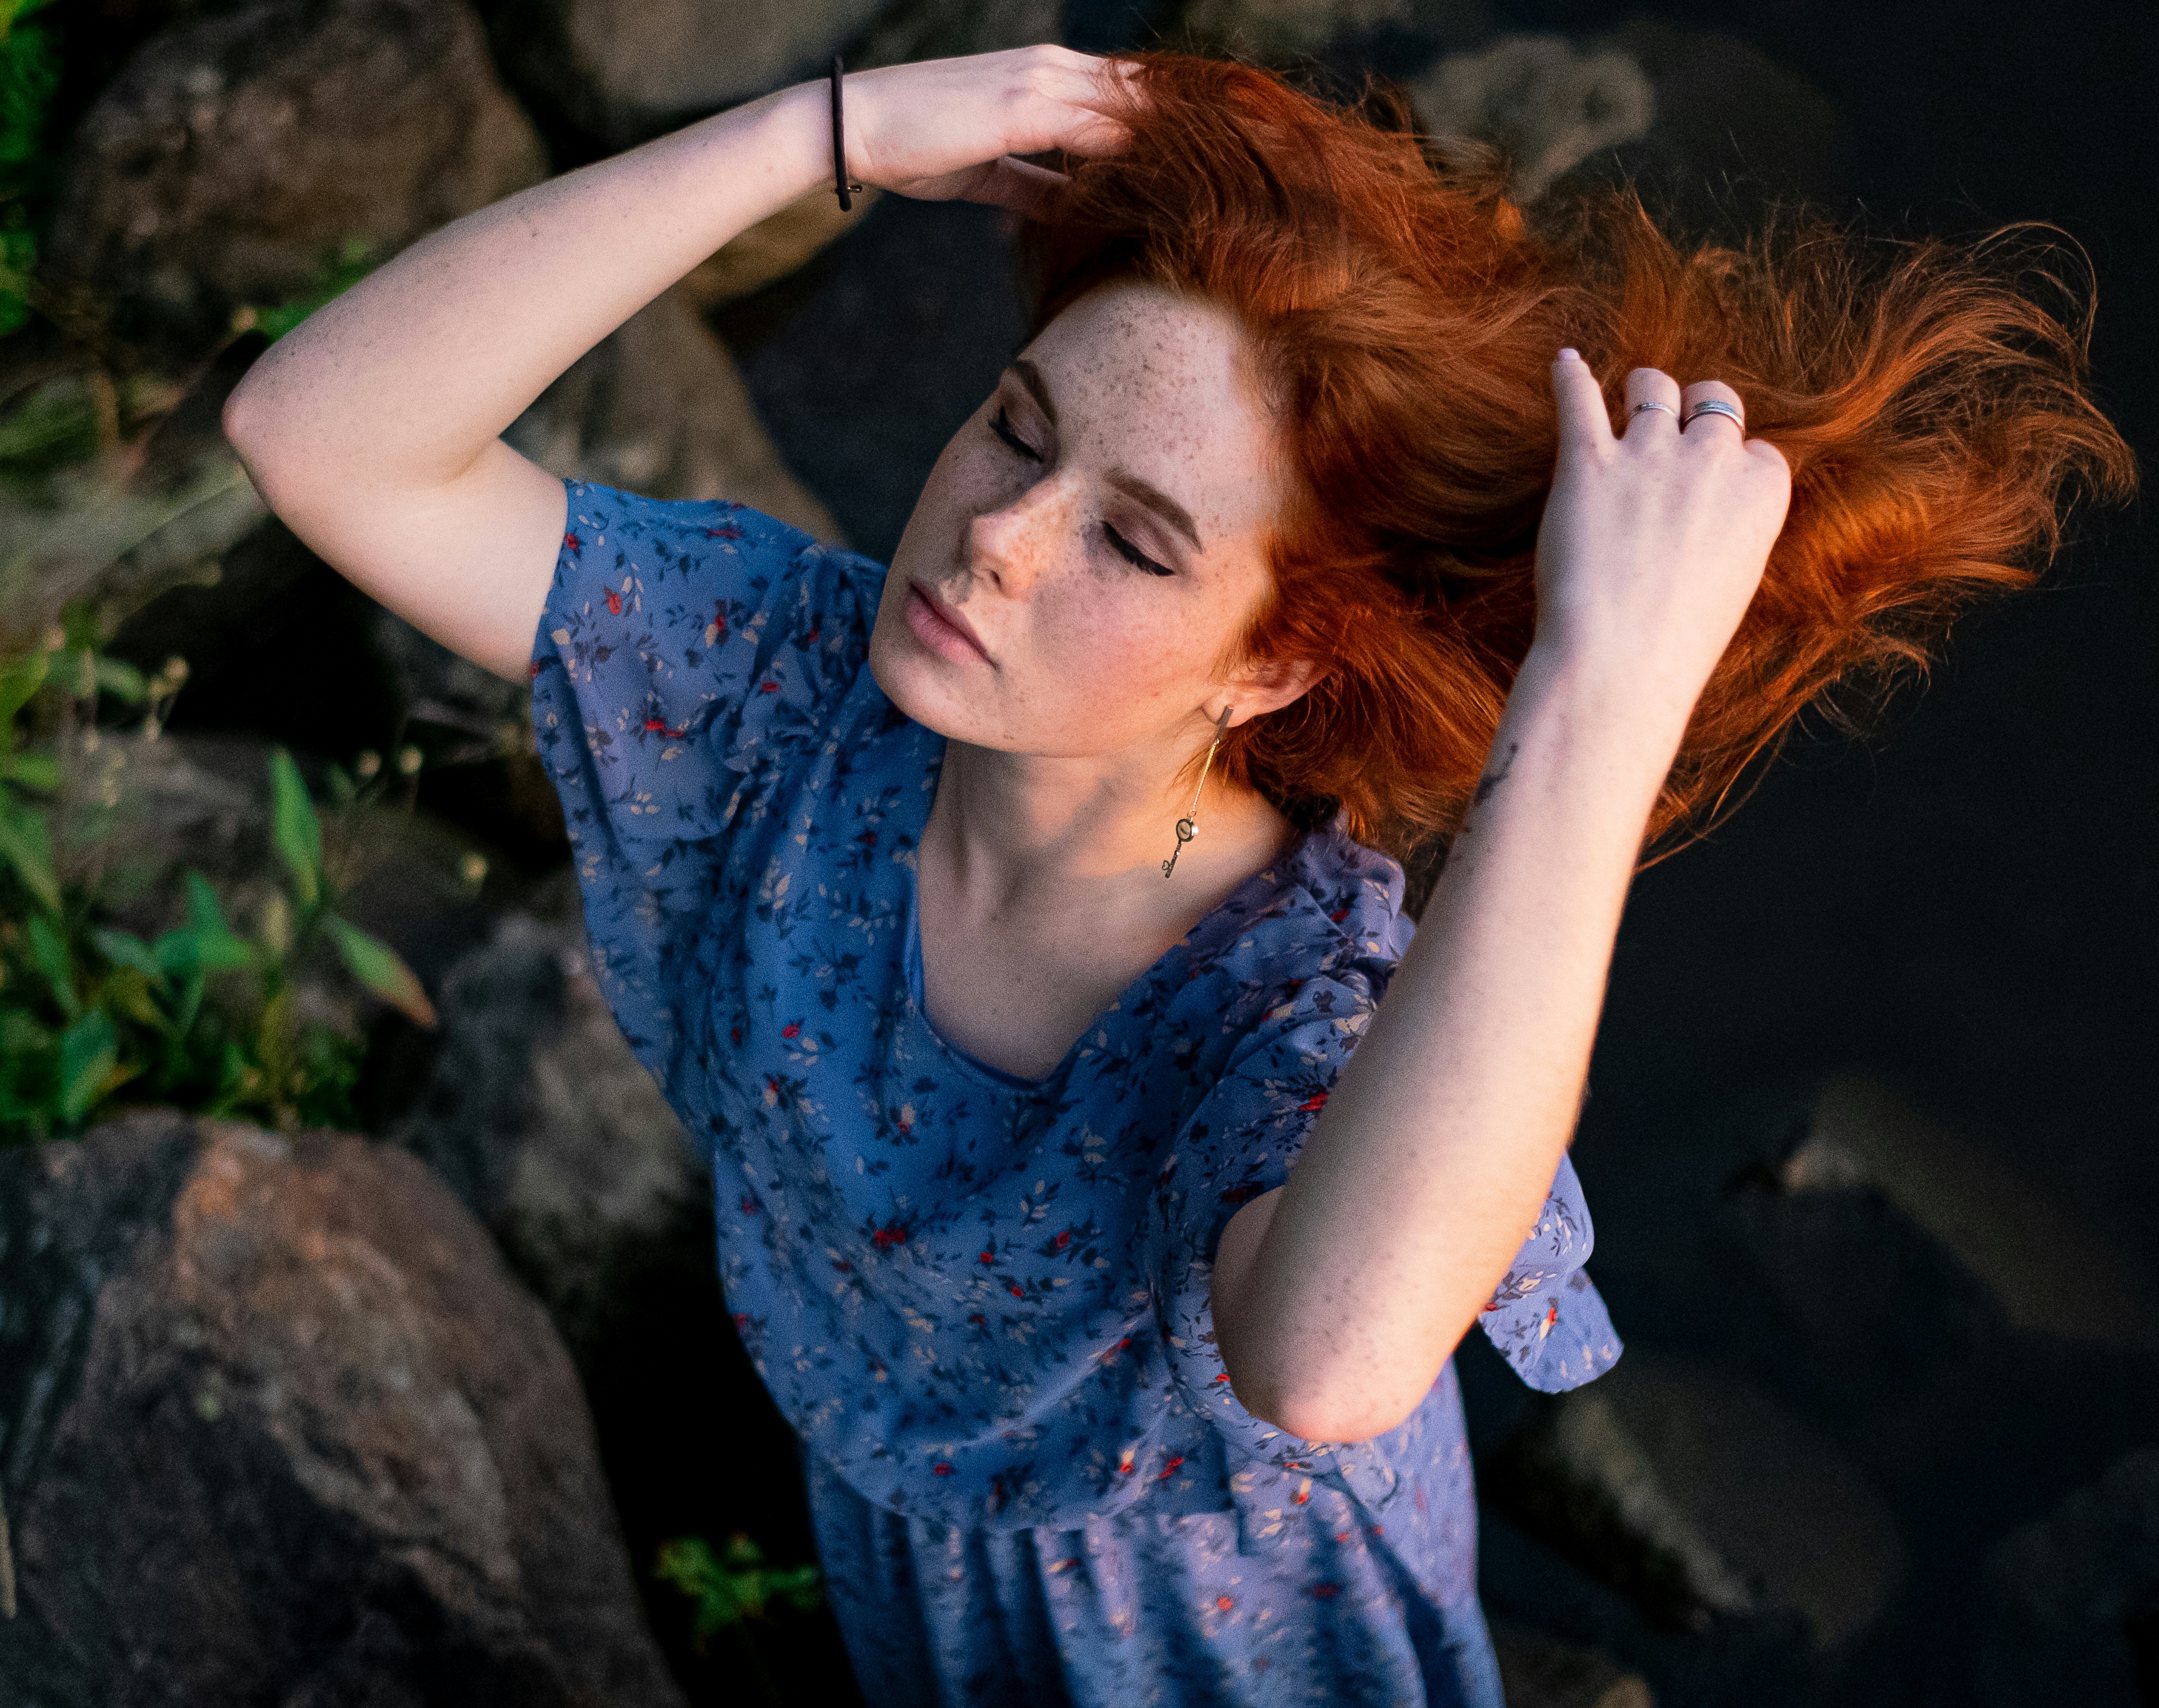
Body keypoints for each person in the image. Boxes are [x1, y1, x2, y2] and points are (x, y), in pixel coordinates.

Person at [218, 45, 2131, 1707]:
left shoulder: (1280, 1006)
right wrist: (830, 129)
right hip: (898, 1512)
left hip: (1210, 1634)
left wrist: (1604, 705)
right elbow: (319, 439)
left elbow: (1330, 1360)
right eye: (1014, 429)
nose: (993, 544)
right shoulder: (783, 689)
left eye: (1134, 544)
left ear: (1271, 664)